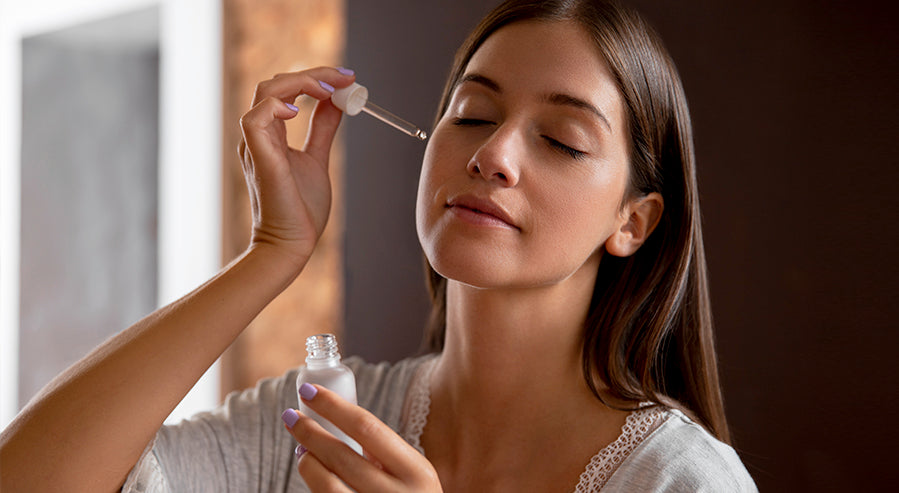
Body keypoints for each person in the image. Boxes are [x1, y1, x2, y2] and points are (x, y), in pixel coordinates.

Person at [0, 0, 757, 491]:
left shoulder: (679, 481)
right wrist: (271, 252)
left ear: (634, 220)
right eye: (470, 113)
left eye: (560, 139)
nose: (493, 153)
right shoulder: (312, 423)